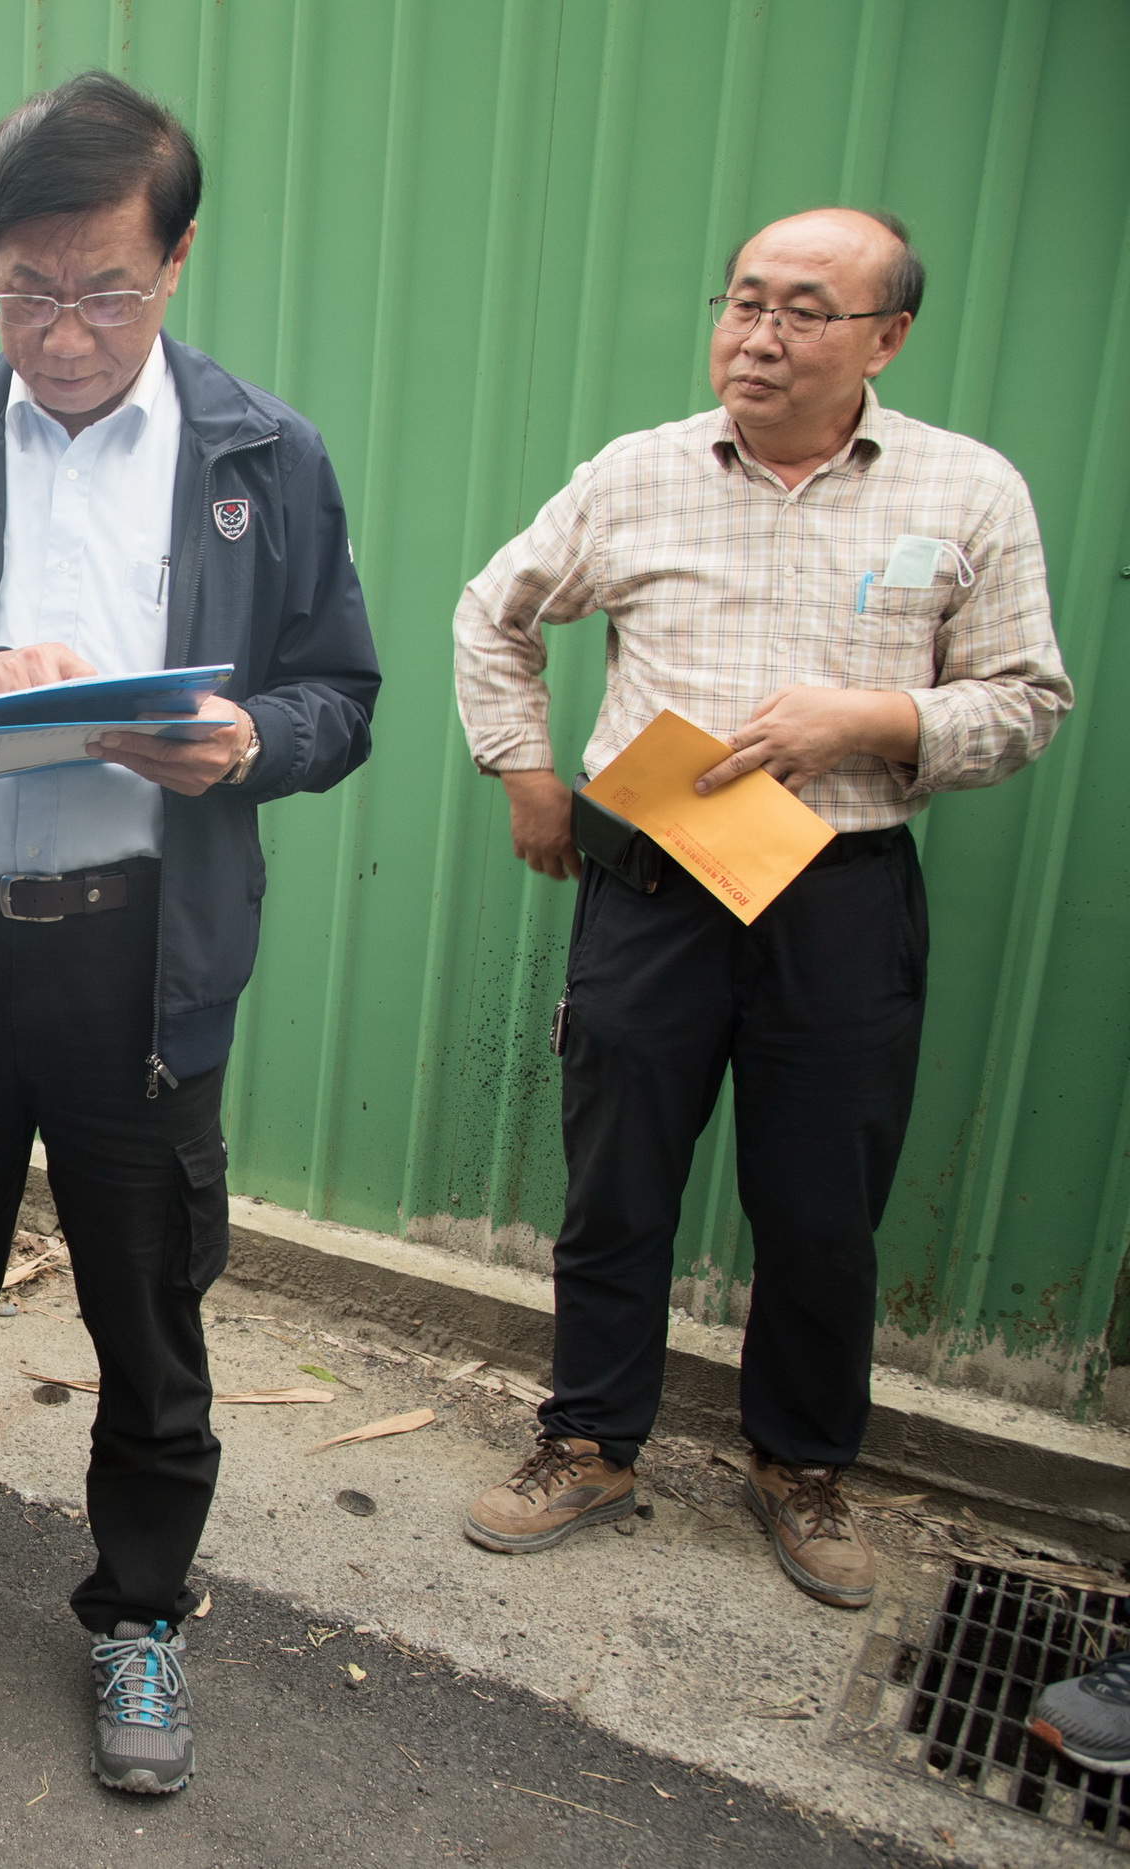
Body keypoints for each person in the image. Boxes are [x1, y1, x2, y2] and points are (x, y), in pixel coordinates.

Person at [0, 71, 378, 1797]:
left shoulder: (264, 454)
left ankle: (139, 1608)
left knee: (151, 1310)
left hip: (143, 965)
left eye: (102, 286)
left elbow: (343, 693)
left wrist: (246, 741)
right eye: (26, 287)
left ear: (175, 259)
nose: (62, 329)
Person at [451, 208, 1070, 1612]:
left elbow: (1028, 698)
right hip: (655, 886)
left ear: (887, 338)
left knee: (820, 1208)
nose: (760, 338)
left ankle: (800, 1465)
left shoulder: (967, 492)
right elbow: (494, 612)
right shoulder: (640, 475)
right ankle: (592, 1440)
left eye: (804, 311)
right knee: (615, 1184)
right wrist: (526, 774)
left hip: (840, 896)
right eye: (743, 303)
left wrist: (874, 715)